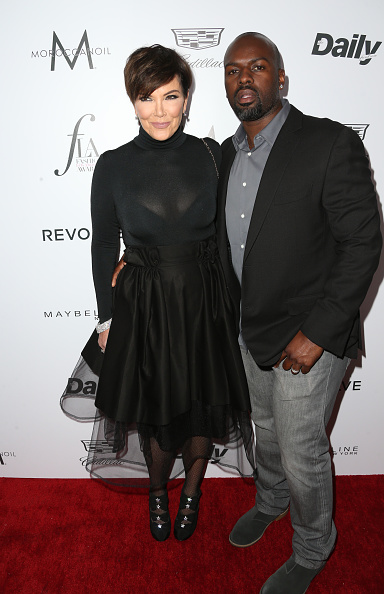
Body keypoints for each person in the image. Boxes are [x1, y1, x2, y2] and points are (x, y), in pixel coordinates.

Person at [61, 44, 255, 543]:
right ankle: (156, 490)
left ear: (187, 97)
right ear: (133, 102)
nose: (160, 111)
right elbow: (104, 244)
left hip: (204, 300)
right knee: (158, 409)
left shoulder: (213, 154)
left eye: (170, 96)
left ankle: (191, 490)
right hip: (144, 306)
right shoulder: (112, 165)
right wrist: (107, 320)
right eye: (147, 98)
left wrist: (232, 308)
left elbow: (223, 238)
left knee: (201, 405)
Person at [216, 32, 382, 593]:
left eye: (257, 67)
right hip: (249, 328)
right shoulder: (223, 154)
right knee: (264, 430)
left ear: (280, 80)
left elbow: (364, 243)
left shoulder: (328, 143)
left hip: (310, 334)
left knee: (301, 448)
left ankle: (314, 546)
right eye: (233, 70)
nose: (245, 78)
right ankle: (271, 499)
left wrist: (318, 332)